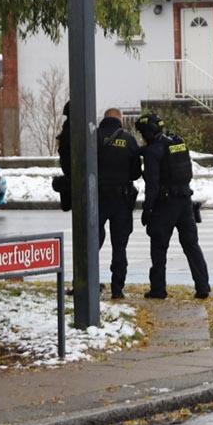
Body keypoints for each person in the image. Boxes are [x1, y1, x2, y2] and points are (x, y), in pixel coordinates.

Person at [135, 113, 210, 300]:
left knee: (159, 248)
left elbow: (152, 184)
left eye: (142, 134)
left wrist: (147, 209)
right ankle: (203, 287)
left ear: (148, 133)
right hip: (184, 201)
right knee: (191, 245)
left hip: (165, 204)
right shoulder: (177, 143)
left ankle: (158, 289)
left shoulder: (153, 152)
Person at [96, 108, 142, 299]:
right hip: (121, 199)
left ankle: (86, 283)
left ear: (104, 119)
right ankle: (117, 288)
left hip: (97, 197)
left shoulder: (94, 136)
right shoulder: (129, 140)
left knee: (92, 242)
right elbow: (136, 173)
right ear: (120, 120)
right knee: (119, 245)